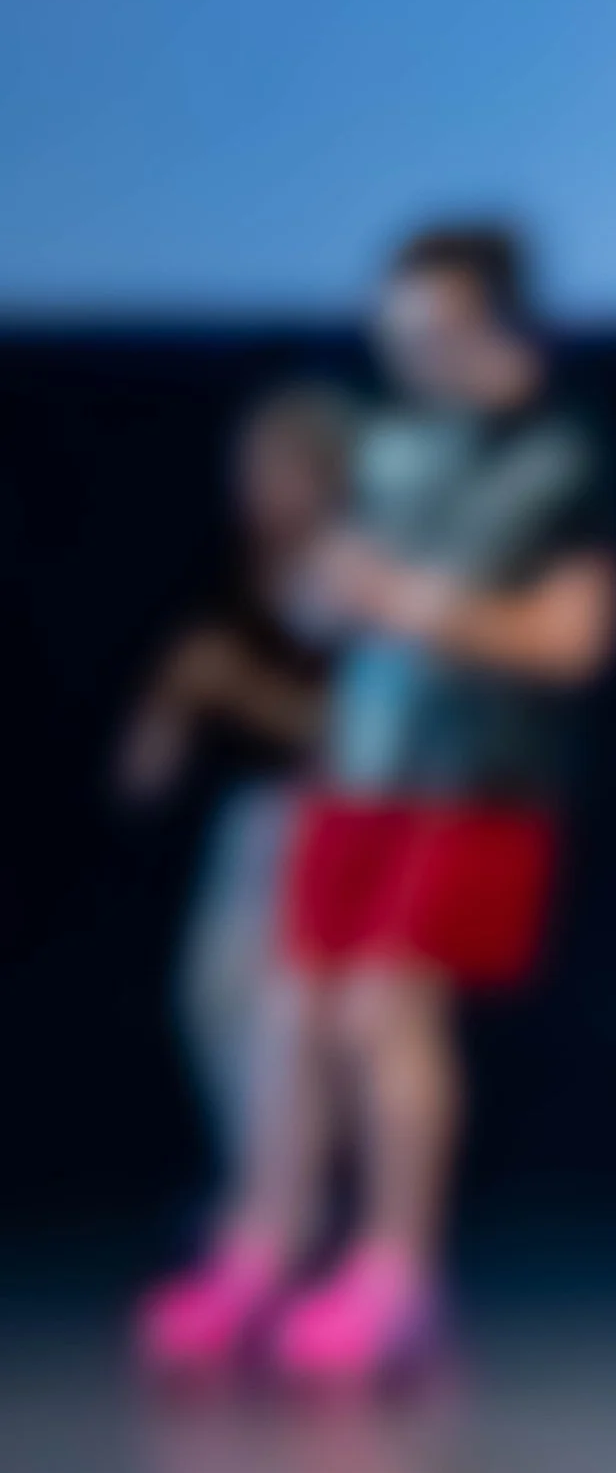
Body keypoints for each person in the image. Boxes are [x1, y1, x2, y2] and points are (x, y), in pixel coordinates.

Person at [134, 223, 616, 1388]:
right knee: (293, 1007)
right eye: (398, 334)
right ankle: (262, 1246)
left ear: (495, 327)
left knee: (380, 1010)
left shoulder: (565, 460)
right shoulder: (395, 446)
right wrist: (330, 589)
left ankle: (397, 1273)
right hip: (360, 771)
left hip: (478, 783)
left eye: (435, 332)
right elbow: (318, 606)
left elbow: (571, 641)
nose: (410, 356)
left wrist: (405, 602)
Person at [118, 386, 355, 1348]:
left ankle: (282, 1224)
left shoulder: (353, 577)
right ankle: (260, 1202)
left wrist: (237, 690)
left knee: (295, 1018)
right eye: (252, 469)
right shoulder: (234, 581)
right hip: (254, 818)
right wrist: (175, 712)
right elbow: (159, 739)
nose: (261, 490)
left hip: (332, 817)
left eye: (283, 468)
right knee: (218, 1002)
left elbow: (365, 727)